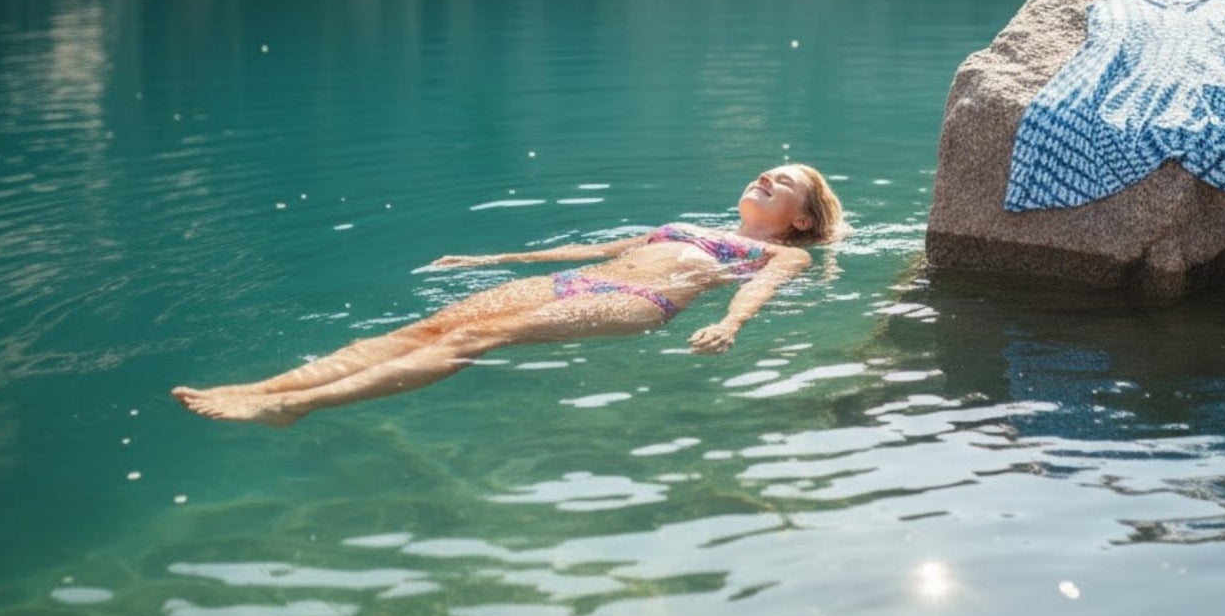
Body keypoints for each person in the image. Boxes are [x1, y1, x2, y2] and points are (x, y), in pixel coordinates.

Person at [172, 164, 843, 426]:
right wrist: (492, 258)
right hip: (578, 280)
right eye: (764, 171)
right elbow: (589, 249)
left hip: (636, 301)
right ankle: (266, 387)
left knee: (472, 337)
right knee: (424, 327)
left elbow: (759, 290)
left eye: (781, 181)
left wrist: (731, 325)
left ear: (801, 219)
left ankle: (297, 403)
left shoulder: (779, 253)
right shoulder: (684, 224)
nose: (764, 176)